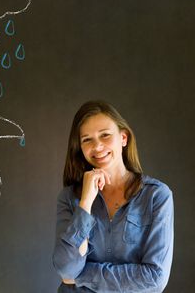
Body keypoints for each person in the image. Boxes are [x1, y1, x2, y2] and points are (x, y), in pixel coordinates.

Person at [52, 101, 174, 292]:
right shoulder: (69, 197)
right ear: (80, 148)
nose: (97, 146)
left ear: (123, 138)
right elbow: (67, 268)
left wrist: (80, 276)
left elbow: (155, 278)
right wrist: (85, 203)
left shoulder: (156, 196)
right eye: (87, 139)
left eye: (105, 135)